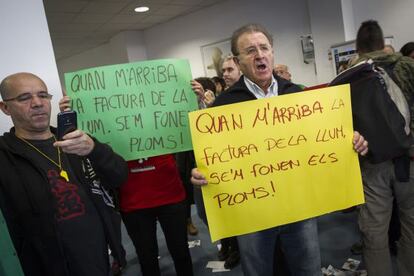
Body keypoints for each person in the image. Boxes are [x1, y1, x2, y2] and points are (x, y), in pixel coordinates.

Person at [191, 23, 368, 276]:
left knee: (307, 269)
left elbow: (325, 139)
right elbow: (213, 162)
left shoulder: (299, 97)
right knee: (259, 270)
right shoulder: (221, 108)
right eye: (250, 50)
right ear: (238, 62)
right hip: (251, 216)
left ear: (272, 53)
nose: (259, 55)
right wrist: (201, 175)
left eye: (264, 48)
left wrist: (351, 142)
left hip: (299, 209)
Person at [0, 72, 128, 276]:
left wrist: (94, 149)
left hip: (96, 256)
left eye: (43, 95)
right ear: (5, 107)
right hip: (46, 265)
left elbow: (119, 176)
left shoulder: (77, 141)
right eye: (24, 98)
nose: (37, 103)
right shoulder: (5, 156)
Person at [350, 20, 414, 276]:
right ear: (382, 42)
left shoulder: (349, 74)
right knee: (411, 225)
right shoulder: (408, 66)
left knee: (374, 232)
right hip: (409, 159)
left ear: (358, 47)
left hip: (370, 163)